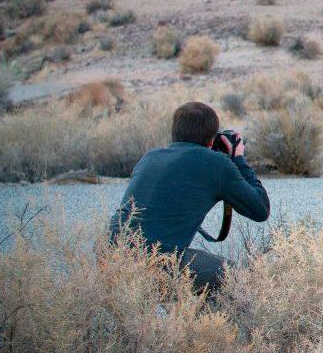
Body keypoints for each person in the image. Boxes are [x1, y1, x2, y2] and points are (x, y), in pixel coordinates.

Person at [110, 101, 269, 291]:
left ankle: (187, 319)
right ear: (211, 140)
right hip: (156, 261)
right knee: (238, 276)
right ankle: (220, 320)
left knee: (184, 279)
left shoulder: (150, 157)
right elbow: (260, 210)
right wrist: (239, 159)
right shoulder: (216, 163)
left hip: (111, 255)